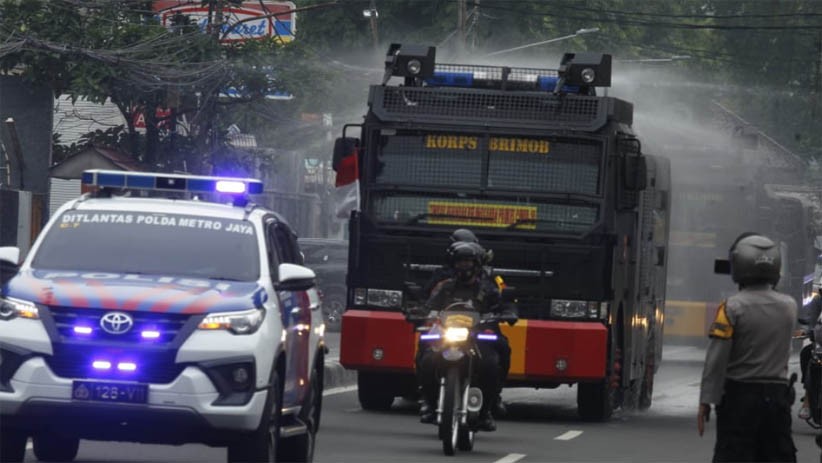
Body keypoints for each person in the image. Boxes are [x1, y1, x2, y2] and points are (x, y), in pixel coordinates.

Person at [697, 232, 798, 462]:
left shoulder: (731, 308)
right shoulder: (789, 307)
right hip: (778, 400)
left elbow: (717, 359)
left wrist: (706, 401)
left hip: (739, 399)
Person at [413, 241, 515, 432]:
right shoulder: (444, 287)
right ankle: (428, 401)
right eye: (460, 262)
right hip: (447, 335)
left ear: (476, 264)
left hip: (476, 337)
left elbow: (504, 305)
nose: (464, 267)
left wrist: (508, 312)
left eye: (468, 262)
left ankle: (488, 408)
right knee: (426, 355)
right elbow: (428, 306)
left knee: (495, 357)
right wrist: (418, 313)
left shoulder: (487, 288)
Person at [798, 280, 822, 421]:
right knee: (806, 354)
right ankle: (807, 400)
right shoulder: (818, 300)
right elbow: (811, 322)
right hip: (820, 344)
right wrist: (808, 332)